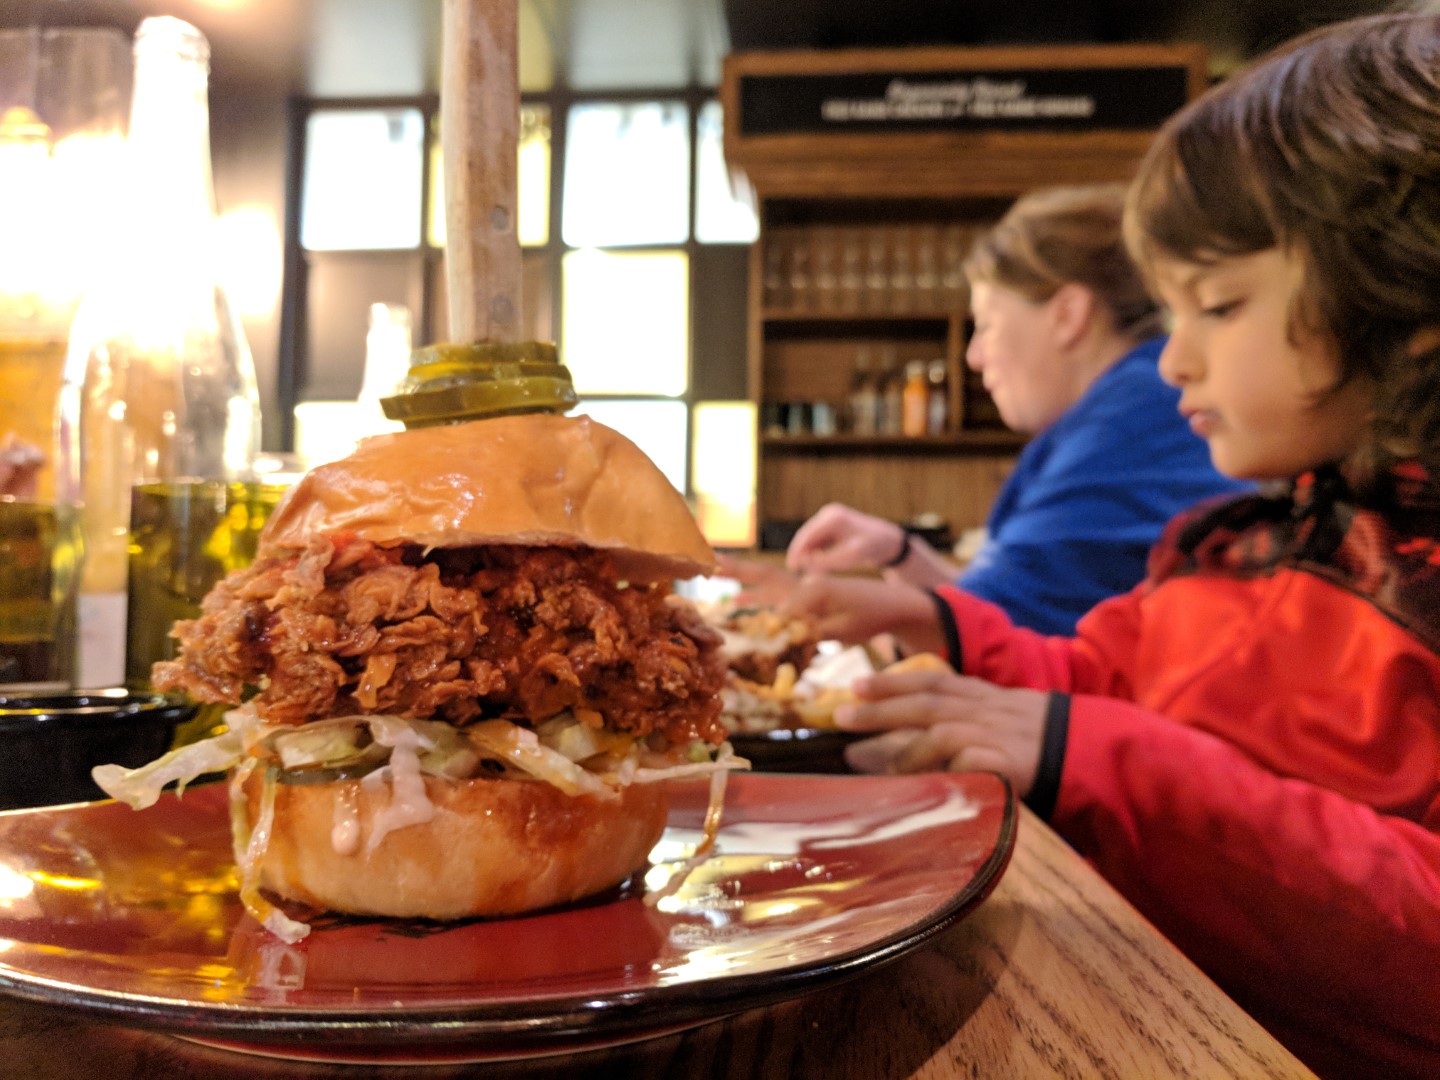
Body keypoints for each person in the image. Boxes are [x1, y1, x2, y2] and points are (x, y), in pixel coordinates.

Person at [752, 14, 1440, 1078]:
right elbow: (1101, 673)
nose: (1173, 368)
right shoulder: (1249, 537)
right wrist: (948, 627)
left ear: (1407, 302)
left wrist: (1095, 755)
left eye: (1217, 306)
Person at [786, 185, 1248, 635]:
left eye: (986, 326)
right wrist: (901, 553)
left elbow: (981, 646)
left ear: (1068, 314)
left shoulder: (1130, 422)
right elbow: (1000, 628)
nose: (974, 357)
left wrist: (795, 613)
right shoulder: (1132, 401)